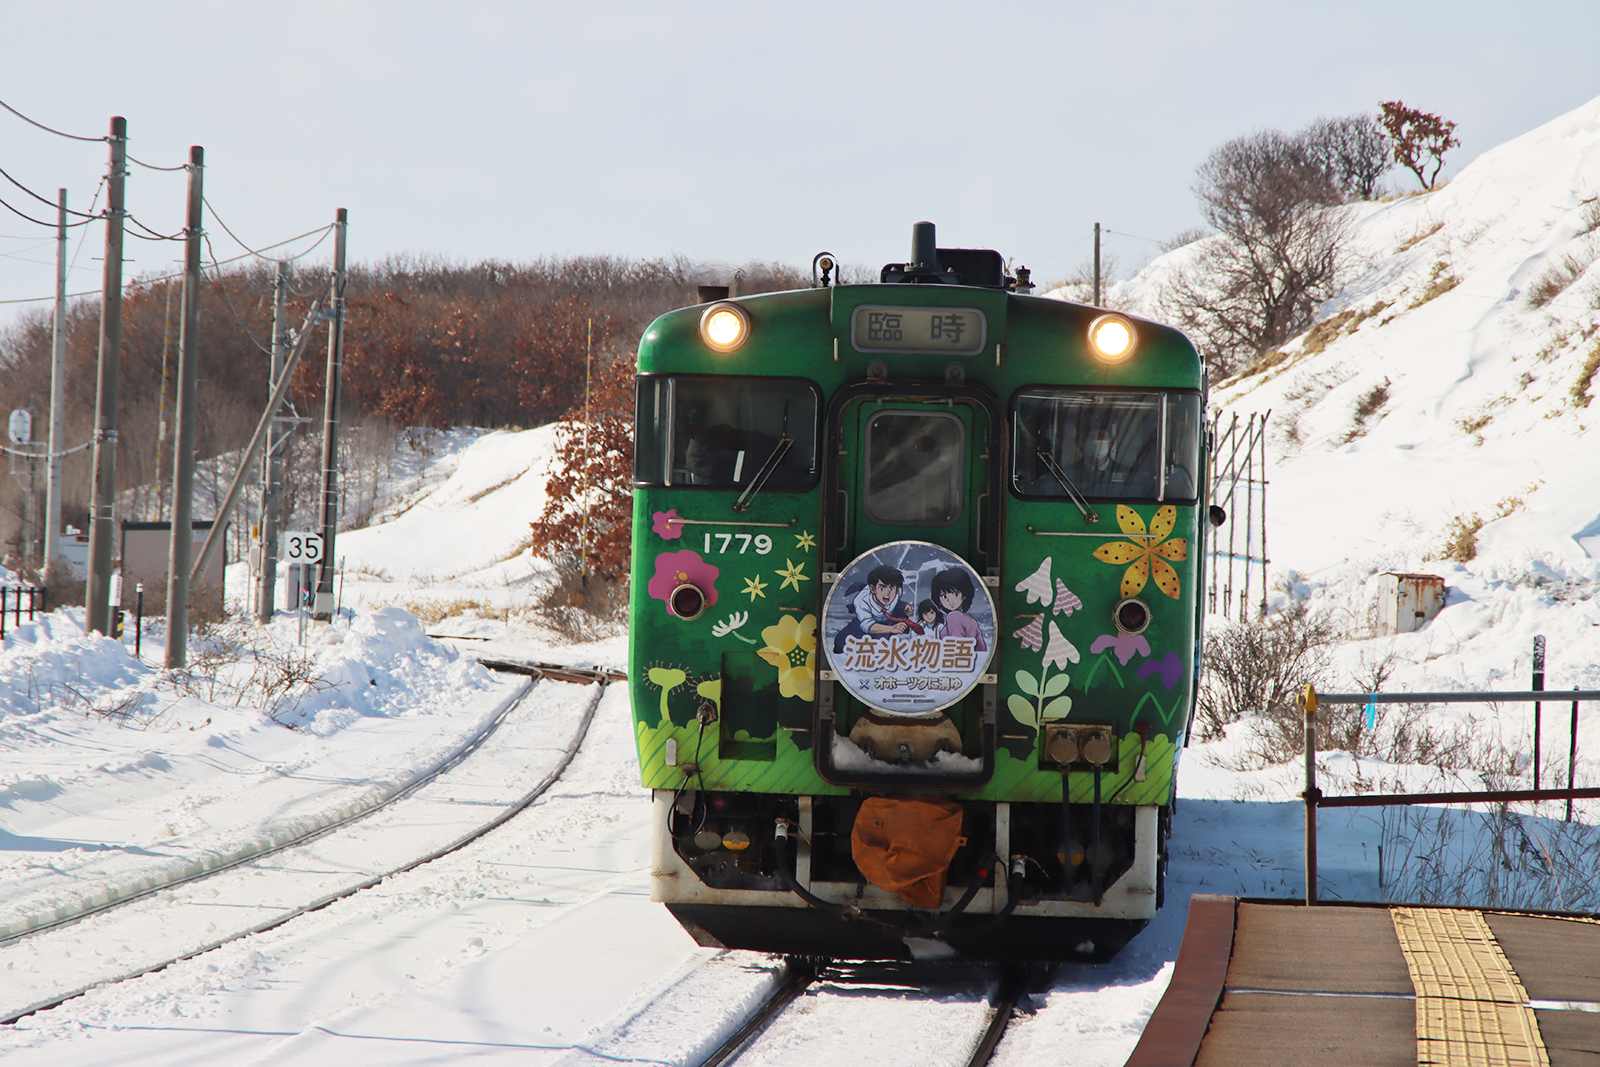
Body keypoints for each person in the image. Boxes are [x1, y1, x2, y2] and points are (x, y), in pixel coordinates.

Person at [931, 568, 987, 652]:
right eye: (944, 596)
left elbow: (957, 645)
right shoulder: (969, 619)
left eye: (955, 594)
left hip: (959, 661)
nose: (950, 600)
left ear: (964, 595)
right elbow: (982, 648)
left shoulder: (953, 616)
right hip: (972, 661)